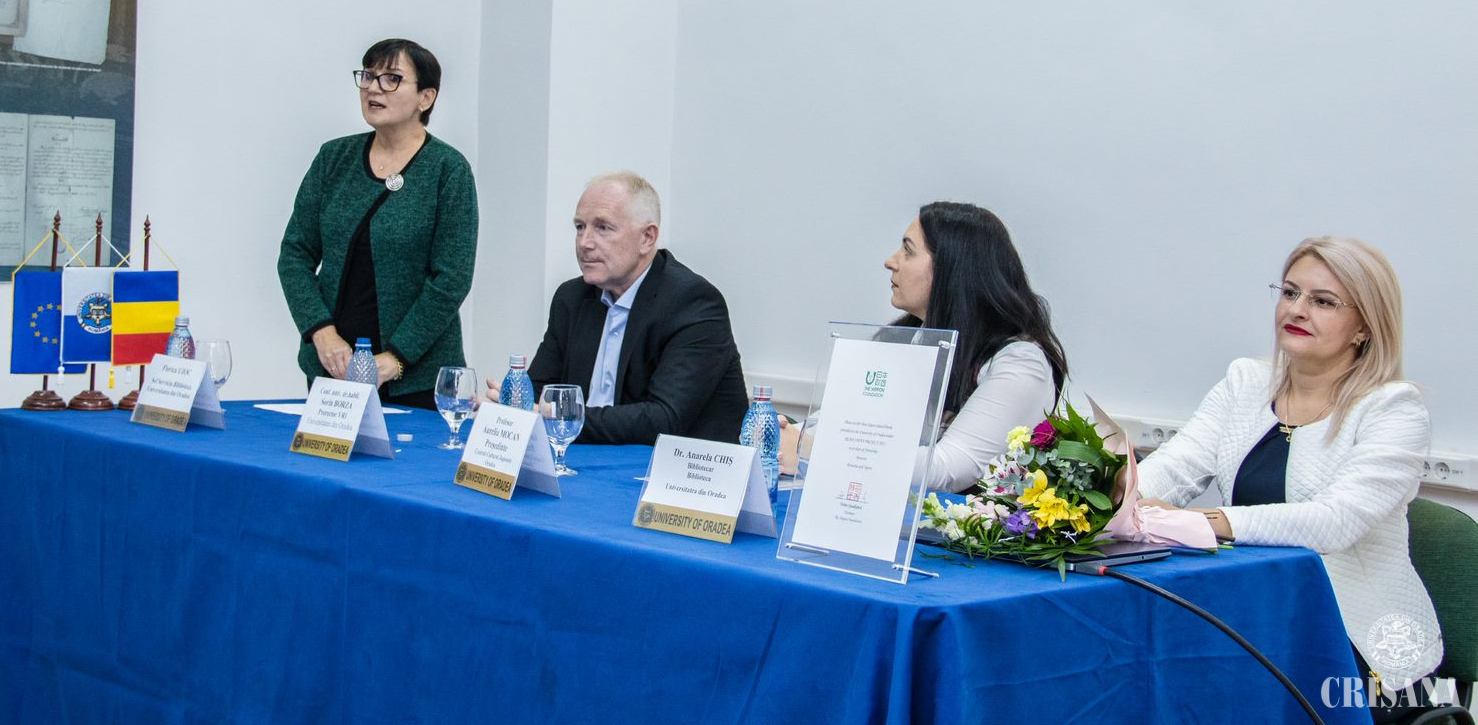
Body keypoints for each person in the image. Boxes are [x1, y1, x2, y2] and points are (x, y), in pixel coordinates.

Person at [1137, 237, 1441, 719]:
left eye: (1323, 301)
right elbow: (1175, 466)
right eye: (1291, 292)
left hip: (1358, 651)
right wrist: (1115, 498)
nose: (1297, 309)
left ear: (1365, 326)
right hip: (1252, 613)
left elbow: (1334, 523)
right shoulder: (1245, 382)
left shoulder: (1393, 409)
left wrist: (1204, 522)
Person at [782, 202, 1068, 490]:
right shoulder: (903, 339)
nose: (891, 262)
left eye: (908, 251)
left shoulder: (1020, 364)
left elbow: (948, 468)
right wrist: (782, 435)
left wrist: (817, 451)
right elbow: (835, 421)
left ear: (952, 268)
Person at [277, 38, 478, 410]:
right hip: (333, 368)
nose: (373, 88)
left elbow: (452, 279)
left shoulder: (448, 170)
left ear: (426, 98)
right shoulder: (334, 158)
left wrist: (396, 358)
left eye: (391, 79)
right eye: (368, 76)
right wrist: (321, 332)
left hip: (418, 379)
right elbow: (294, 255)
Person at [487, 172, 748, 444]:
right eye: (580, 227)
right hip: (587, 457)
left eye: (603, 228)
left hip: (676, 466)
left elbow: (662, 420)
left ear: (647, 238)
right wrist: (511, 406)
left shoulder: (693, 302)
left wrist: (555, 416)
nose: (585, 243)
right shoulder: (572, 298)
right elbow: (540, 390)